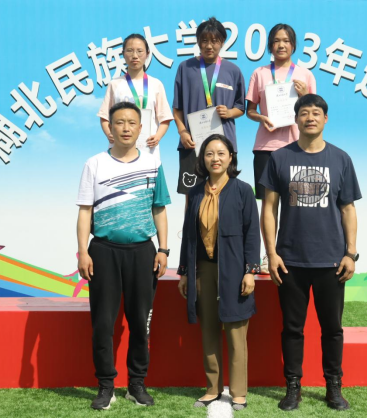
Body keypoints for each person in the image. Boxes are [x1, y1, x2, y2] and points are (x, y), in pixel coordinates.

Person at [260, 94, 362, 411]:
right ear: (296, 119)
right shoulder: (280, 158)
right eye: (304, 113)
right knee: (292, 329)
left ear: (325, 119)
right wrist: (272, 253)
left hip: (332, 261)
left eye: (316, 113)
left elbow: (348, 209)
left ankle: (334, 387)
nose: (310, 118)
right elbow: (269, 209)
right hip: (290, 261)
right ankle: (293, 387)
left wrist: (351, 253)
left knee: (332, 329)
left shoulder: (341, 159)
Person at [77, 102, 171, 410]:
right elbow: (85, 211)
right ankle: (106, 385)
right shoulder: (94, 164)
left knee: (140, 323)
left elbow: (159, 208)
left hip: (142, 252)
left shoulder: (153, 164)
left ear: (141, 128)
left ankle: (136, 384)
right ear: (110, 127)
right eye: (119, 122)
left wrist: (163, 249)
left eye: (132, 122)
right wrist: (83, 251)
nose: (126, 128)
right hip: (103, 251)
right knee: (103, 323)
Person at [177, 134, 260, 411]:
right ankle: (212, 389)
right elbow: (189, 235)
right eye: (209, 153)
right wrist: (185, 272)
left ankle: (238, 392)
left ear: (231, 158)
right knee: (209, 331)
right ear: (202, 159)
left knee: (236, 334)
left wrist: (250, 271)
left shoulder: (243, 190)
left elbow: (252, 233)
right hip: (204, 270)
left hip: (235, 270)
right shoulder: (195, 193)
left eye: (221, 153)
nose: (215, 158)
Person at [246, 24, 316, 272]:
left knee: (297, 203)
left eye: (286, 40)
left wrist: (304, 95)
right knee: (269, 204)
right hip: (266, 147)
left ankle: (295, 253)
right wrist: (261, 118)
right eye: (276, 41)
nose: (281, 45)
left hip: (298, 147)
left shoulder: (305, 75)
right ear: (270, 46)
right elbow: (250, 110)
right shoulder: (260, 73)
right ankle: (269, 255)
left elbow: (313, 111)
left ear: (293, 45)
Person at [173, 17, 246, 200]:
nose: (209, 46)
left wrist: (229, 112)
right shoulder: (185, 68)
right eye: (204, 40)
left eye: (214, 41)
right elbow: (177, 108)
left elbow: (240, 107)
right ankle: (191, 222)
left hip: (224, 144)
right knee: (192, 197)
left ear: (222, 42)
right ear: (198, 42)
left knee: (224, 196)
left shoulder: (233, 71)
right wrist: (182, 132)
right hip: (192, 143)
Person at [97, 34, 173, 161]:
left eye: (139, 51)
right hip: (119, 151)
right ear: (123, 54)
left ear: (147, 54)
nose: (135, 56)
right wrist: (109, 134)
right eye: (130, 51)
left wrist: (158, 136)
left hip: (148, 150)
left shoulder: (156, 84)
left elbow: (165, 118)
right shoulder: (114, 84)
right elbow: (104, 116)